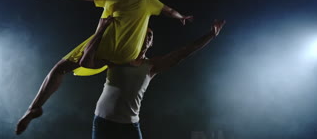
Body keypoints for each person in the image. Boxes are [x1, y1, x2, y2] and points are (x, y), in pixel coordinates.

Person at [15, 0, 193, 135]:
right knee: (63, 69)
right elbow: (168, 11)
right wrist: (180, 17)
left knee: (59, 69)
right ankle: (34, 108)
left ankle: (34, 107)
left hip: (104, 47)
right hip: (124, 54)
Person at [89, 19, 226, 139]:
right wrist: (101, 30)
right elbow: (87, 60)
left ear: (151, 43)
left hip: (130, 125)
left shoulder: (151, 66)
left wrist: (210, 35)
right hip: (104, 121)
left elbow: (183, 52)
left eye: (150, 36)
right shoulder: (118, 58)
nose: (147, 37)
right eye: (144, 33)